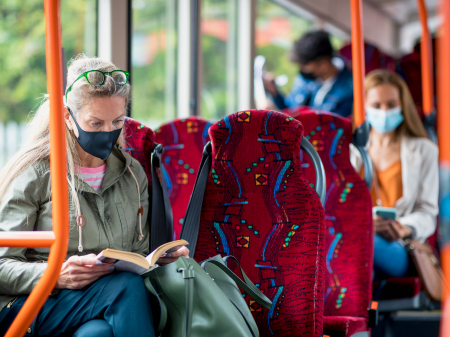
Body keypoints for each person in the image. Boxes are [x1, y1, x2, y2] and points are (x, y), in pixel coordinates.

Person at [0, 54, 189, 337]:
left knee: (97, 333)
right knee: (126, 287)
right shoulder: (36, 174)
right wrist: (56, 275)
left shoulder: (132, 174)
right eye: (95, 123)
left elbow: (135, 255)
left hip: (102, 302)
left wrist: (158, 259)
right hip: (33, 303)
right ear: (68, 117)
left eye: (117, 122)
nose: (108, 132)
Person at [351, 69, 439, 278]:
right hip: (356, 235)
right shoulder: (349, 150)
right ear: (364, 107)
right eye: (376, 105)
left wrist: (404, 228)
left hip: (400, 246)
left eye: (391, 105)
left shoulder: (424, 150)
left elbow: (427, 213)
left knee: (363, 243)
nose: (384, 112)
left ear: (403, 107)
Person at [263, 30, 354, 117]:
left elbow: (332, 128)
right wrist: (275, 93)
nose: (302, 70)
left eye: (304, 66)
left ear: (323, 65)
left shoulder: (350, 91)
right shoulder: (306, 79)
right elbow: (291, 108)